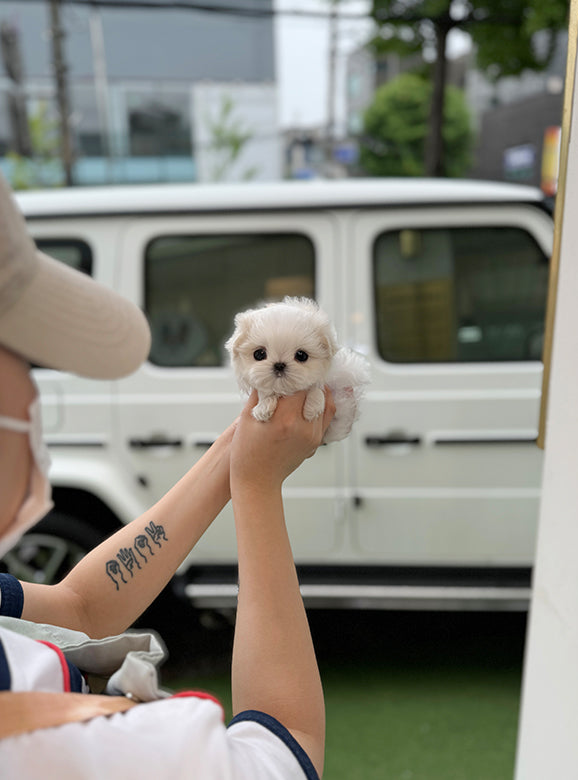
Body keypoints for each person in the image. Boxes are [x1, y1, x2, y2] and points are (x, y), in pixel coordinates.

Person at [0, 173, 334, 779]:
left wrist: (234, 453)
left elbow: (79, 608)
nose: (31, 393)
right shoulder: (94, 755)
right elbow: (289, 742)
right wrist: (256, 490)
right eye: (21, 355)